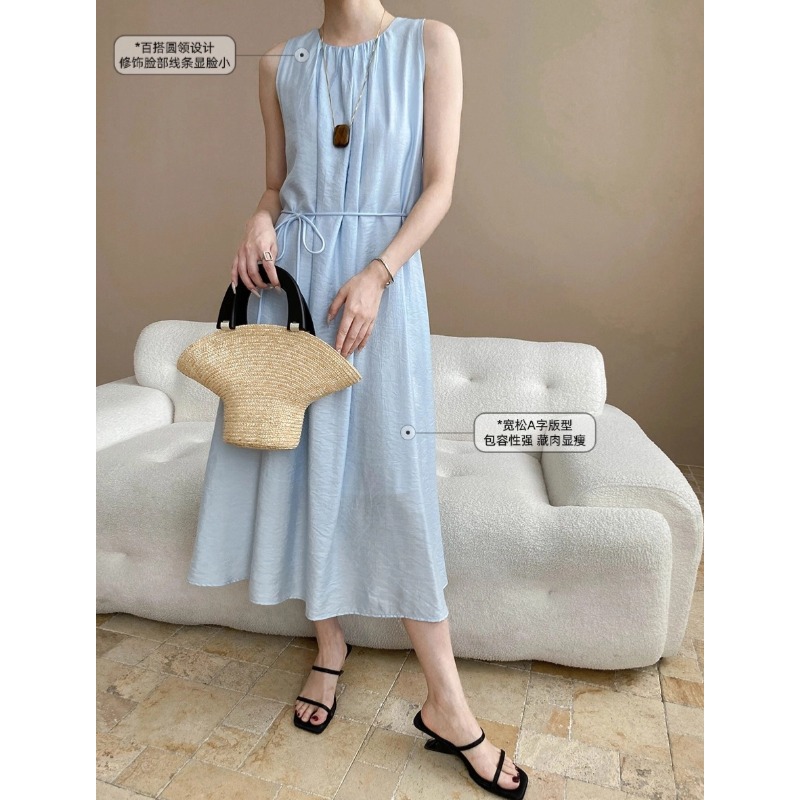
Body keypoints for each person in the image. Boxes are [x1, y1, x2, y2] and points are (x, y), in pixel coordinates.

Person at [187, 2, 526, 797]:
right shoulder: (278, 63)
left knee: (395, 485)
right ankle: (329, 647)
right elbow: (275, 185)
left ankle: (446, 701)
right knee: (301, 467)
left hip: (379, 289)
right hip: (293, 290)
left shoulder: (429, 44)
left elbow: (439, 186)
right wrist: (258, 219)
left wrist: (379, 273)